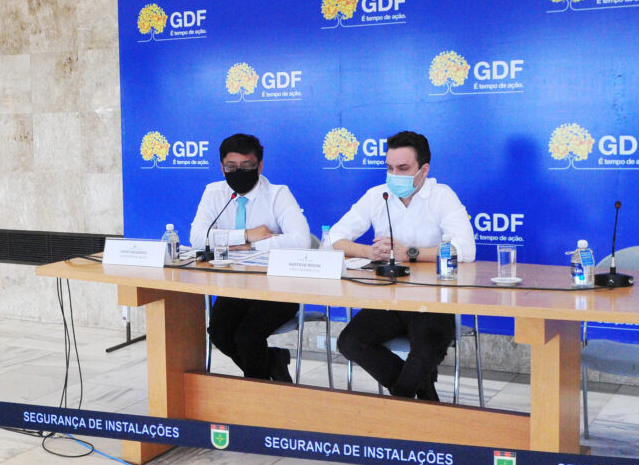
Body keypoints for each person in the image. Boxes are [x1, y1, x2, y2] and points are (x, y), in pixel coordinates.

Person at [325, 130, 476, 400]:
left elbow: (464, 249)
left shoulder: (442, 196)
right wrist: (368, 250)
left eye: (403, 168)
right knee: (350, 342)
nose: (394, 175)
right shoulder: (377, 195)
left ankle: (402, 402)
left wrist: (411, 253)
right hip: (390, 299)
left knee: (426, 351)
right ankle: (423, 397)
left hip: (433, 300)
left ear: (423, 170)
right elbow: (333, 239)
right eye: (390, 168)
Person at [189, 133, 311, 382]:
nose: (238, 172)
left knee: (247, 336)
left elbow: (302, 240)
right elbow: (198, 238)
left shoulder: (278, 194)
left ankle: (260, 392)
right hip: (235, 287)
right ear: (222, 166)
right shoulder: (214, 192)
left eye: (246, 166)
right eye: (231, 167)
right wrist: (246, 234)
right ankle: (272, 363)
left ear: (260, 166)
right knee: (219, 333)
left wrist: (249, 246)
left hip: (278, 288)